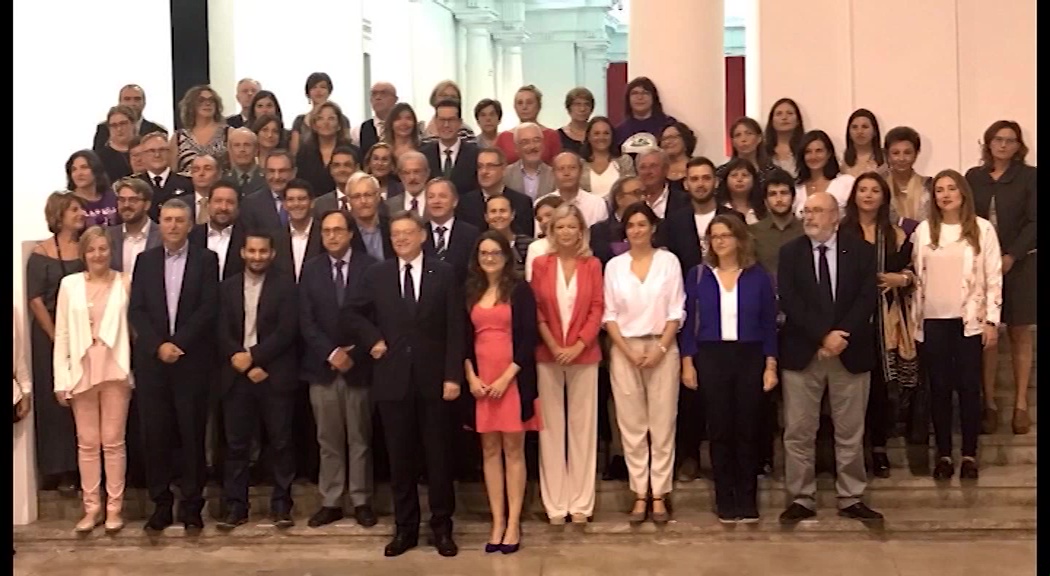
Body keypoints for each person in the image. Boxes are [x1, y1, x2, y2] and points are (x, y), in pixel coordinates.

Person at [344, 211, 465, 558]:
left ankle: (442, 527)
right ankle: (405, 529)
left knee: (438, 459)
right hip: (393, 380)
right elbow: (351, 313)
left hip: (434, 382)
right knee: (400, 460)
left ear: (422, 236)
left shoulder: (443, 273)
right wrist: (373, 339)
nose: (400, 239)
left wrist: (452, 376)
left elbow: (456, 327)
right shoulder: (377, 274)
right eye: (395, 234)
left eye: (407, 233)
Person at [777, 192, 882, 525]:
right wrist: (823, 336)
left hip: (850, 351)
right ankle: (801, 497)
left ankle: (851, 496)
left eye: (817, 211)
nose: (809, 216)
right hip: (803, 352)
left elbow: (867, 297)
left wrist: (840, 335)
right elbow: (790, 300)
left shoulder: (862, 251)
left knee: (850, 430)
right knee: (798, 430)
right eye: (806, 211)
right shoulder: (790, 253)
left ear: (835, 216)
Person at [679, 215, 778, 523]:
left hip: (750, 355)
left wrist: (770, 365)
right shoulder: (698, 275)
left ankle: (747, 499)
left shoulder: (758, 276)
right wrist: (687, 362)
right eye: (714, 236)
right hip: (711, 355)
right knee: (720, 428)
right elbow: (688, 324)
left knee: (747, 428)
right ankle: (725, 499)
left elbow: (769, 324)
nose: (719, 241)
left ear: (739, 239)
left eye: (725, 235)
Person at [129, 199, 220, 532]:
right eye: (167, 219)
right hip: (154, 365)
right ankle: (161, 505)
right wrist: (159, 346)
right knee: (156, 437)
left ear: (190, 224)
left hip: (191, 362)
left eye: (180, 220)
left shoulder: (206, 260)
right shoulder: (145, 261)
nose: (172, 226)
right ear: (160, 222)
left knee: (192, 435)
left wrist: (178, 344)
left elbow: (209, 308)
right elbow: (136, 310)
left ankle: (193, 505)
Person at [912, 170, 1002, 480]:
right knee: (938, 389)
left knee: (968, 388)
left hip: (969, 323)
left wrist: (991, 320)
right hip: (932, 321)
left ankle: (969, 454)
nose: (945, 194)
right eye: (939, 190)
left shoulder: (982, 229)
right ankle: (945, 454)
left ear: (963, 192)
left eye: (951, 188)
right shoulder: (924, 231)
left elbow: (994, 277)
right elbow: (916, 276)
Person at [602, 202, 684, 525]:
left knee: (662, 423)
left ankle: (660, 493)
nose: (636, 230)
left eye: (641, 224)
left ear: (652, 227)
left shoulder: (669, 262)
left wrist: (660, 348)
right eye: (631, 225)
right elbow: (608, 315)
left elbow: (677, 310)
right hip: (625, 349)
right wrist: (626, 350)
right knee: (632, 425)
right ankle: (639, 492)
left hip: (663, 347)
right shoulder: (615, 267)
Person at [215, 231, 300, 530]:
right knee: (236, 446)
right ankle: (236, 507)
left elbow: (287, 331)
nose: (257, 256)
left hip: (273, 374)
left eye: (263, 251)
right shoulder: (226, 288)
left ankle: (281, 506)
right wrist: (241, 360)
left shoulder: (287, 287)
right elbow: (220, 331)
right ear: (242, 253)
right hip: (236, 376)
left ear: (272, 254)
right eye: (252, 251)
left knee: (281, 443)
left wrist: (256, 358)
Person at [299, 210, 379, 529]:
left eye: (338, 230)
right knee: (327, 437)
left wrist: (355, 352)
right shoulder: (310, 270)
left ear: (350, 233)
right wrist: (331, 352)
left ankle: (361, 499)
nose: (332, 236)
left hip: (359, 366)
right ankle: (331, 500)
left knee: (360, 437)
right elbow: (306, 320)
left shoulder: (370, 267)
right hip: (322, 366)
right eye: (326, 231)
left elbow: (376, 316)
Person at [464, 230, 542, 554]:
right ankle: (497, 520)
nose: (490, 258)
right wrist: (470, 377)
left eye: (495, 253)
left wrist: (506, 378)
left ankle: (513, 522)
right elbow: (462, 339)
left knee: (513, 450)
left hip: (510, 379)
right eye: (484, 253)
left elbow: (528, 339)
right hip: (481, 381)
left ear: (506, 256)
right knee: (489, 452)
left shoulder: (520, 290)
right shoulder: (470, 291)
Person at [52, 226, 133, 533]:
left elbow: (131, 330)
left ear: (110, 250)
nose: (98, 255)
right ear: (83, 254)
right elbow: (62, 333)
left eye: (103, 249)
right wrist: (61, 379)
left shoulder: (124, 282)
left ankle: (114, 508)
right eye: (91, 250)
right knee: (87, 443)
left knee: (113, 441)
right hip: (81, 371)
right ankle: (91, 508)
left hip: (115, 369)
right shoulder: (69, 285)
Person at [839, 172, 917, 478]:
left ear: (884, 197)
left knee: (881, 388)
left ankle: (879, 448)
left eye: (875, 190)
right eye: (863, 190)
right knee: (850, 388)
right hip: (848, 317)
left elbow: (913, 271)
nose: (869, 195)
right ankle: (851, 450)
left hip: (886, 319)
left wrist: (902, 279)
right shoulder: (841, 232)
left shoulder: (895, 233)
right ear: (854, 195)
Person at [530, 205, 604, 525]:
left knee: (583, 429)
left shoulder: (593, 264)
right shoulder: (540, 264)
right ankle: (556, 504)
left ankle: (581, 503)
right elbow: (536, 309)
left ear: (581, 230)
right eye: (559, 226)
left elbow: (598, 307)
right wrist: (553, 344)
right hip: (548, 354)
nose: (565, 232)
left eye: (571, 226)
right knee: (551, 429)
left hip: (584, 354)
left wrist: (577, 345)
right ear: (551, 231)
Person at [965, 120, 1037, 436]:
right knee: (988, 334)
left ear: (1019, 145)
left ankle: (1021, 404)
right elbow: (966, 217)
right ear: (988, 143)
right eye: (998, 139)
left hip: (1020, 264)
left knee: (1019, 331)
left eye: (1010, 140)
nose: (1004, 145)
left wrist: (1012, 255)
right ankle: (990, 404)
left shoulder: (1030, 177)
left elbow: (1035, 221)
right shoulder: (974, 177)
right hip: (982, 265)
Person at [27, 192, 86, 494]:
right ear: (59, 214)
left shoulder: (88, 247)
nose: (81, 213)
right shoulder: (41, 252)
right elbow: (35, 299)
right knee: (55, 404)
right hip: (50, 335)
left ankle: (80, 467)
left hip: (82, 333)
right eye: (75, 209)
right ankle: (56, 469)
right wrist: (56, 338)